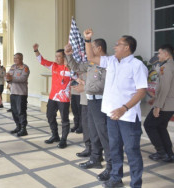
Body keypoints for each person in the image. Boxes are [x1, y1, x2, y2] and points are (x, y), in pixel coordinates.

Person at [84, 29, 148, 188]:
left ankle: (136, 184)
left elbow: (141, 91)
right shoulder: (111, 61)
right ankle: (115, 178)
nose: (114, 47)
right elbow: (91, 57)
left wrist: (124, 108)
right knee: (114, 149)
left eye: (118, 44)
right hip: (111, 115)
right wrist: (87, 40)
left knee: (132, 152)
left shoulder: (137, 65)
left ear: (127, 47)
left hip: (128, 117)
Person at [65, 39, 111, 182]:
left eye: (91, 48)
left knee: (104, 133)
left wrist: (85, 87)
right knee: (93, 131)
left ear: (99, 48)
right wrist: (69, 55)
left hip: (101, 101)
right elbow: (77, 67)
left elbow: (106, 84)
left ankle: (111, 166)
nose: (88, 51)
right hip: (91, 100)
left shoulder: (108, 63)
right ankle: (95, 158)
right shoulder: (91, 63)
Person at [33, 43, 70, 148]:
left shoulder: (69, 68)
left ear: (64, 57)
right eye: (56, 56)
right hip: (53, 97)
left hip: (64, 98)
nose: (57, 58)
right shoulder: (53, 65)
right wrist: (36, 51)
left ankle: (64, 139)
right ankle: (55, 135)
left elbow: (77, 78)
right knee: (50, 115)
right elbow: (42, 61)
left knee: (64, 119)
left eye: (59, 56)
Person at [144, 44, 174, 162]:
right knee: (161, 127)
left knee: (149, 125)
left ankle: (161, 152)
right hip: (170, 104)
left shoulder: (166, 67)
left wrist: (157, 106)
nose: (158, 55)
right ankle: (169, 153)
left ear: (166, 54)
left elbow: (165, 87)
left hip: (165, 105)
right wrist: (155, 98)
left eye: (160, 53)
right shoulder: (171, 65)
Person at [7, 53, 30, 137]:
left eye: (17, 58)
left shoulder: (25, 68)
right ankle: (18, 126)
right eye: (14, 58)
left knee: (21, 111)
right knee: (14, 111)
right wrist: (8, 79)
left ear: (21, 59)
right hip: (13, 92)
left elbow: (23, 79)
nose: (15, 60)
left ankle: (24, 129)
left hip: (21, 93)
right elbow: (8, 76)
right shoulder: (13, 67)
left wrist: (11, 78)